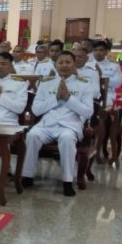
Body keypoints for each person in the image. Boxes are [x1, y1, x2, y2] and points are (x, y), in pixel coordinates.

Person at [21, 51, 94, 197]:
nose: (64, 65)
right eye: (61, 62)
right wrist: (56, 98)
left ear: (74, 65)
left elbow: (88, 112)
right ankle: (27, 176)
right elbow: (36, 109)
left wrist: (68, 98)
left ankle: (67, 181)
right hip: (47, 124)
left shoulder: (84, 84)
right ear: (55, 65)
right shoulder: (46, 82)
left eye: (68, 62)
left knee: (67, 139)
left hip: (70, 125)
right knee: (32, 135)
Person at [92, 40, 122, 107]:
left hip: (107, 94)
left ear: (106, 52)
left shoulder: (114, 66)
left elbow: (118, 83)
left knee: (101, 106)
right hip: (89, 93)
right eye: (95, 50)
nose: (98, 52)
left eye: (101, 50)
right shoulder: (87, 65)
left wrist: (101, 77)